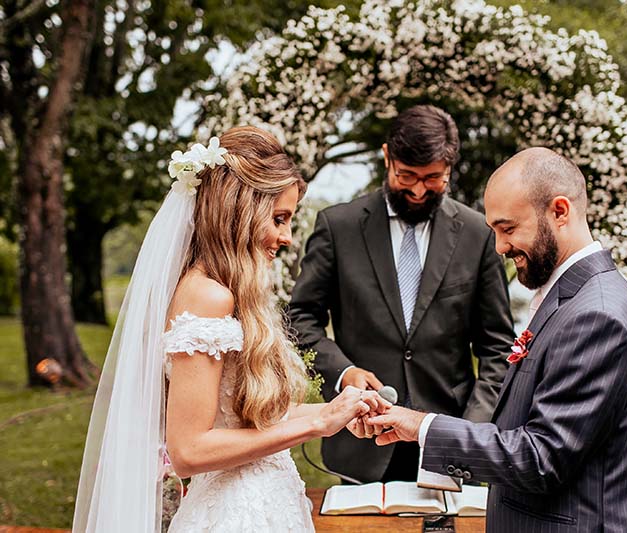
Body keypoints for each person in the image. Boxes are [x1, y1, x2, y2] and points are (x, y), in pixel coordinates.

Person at [72, 126, 389, 532]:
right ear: (241, 209)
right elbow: (189, 449)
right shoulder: (206, 296)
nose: (287, 237)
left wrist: (337, 410)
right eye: (278, 218)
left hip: (266, 506)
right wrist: (316, 425)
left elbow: (243, 420)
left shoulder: (230, 294)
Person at [363, 147, 627, 532]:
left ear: (560, 211)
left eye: (509, 228)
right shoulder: (571, 297)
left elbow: (541, 458)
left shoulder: (596, 315)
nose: (500, 247)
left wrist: (423, 428)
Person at [288, 105, 515, 483]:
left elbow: (497, 346)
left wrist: (471, 431)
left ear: (449, 169)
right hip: (363, 439)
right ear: (386, 157)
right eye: (406, 175)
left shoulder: (479, 235)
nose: (417, 190)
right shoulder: (337, 226)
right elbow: (300, 317)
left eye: (433, 179)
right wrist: (343, 373)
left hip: (447, 437)